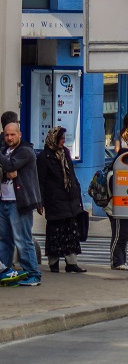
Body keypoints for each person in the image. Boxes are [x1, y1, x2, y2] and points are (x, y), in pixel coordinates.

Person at [0, 112, 43, 285]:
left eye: (12, 135)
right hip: (4, 201)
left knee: (22, 239)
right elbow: (8, 168)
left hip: (20, 203)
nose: (9, 138)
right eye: (7, 135)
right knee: (5, 239)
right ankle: (5, 272)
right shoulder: (5, 150)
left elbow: (10, 165)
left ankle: (33, 274)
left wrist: (6, 166)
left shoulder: (26, 151)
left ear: (19, 135)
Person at [36, 126, 86, 273]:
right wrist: (40, 202)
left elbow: (71, 175)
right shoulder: (44, 157)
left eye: (64, 139)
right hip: (54, 200)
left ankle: (71, 263)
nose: (63, 142)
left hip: (69, 198)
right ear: (54, 139)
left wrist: (77, 191)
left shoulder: (65, 152)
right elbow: (41, 180)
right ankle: (54, 263)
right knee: (54, 231)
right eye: (61, 139)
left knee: (71, 231)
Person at [109, 121, 128, 269]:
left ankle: (121, 260)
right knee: (119, 234)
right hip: (117, 208)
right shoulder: (115, 173)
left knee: (125, 234)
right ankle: (116, 261)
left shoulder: (122, 172)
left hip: (126, 207)